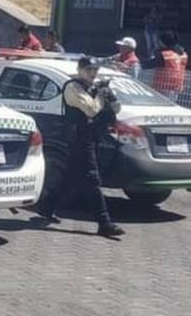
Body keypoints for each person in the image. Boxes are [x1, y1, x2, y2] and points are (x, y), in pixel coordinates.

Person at [34, 57, 125, 238]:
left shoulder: (94, 89)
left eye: (95, 71)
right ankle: (104, 222)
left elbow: (116, 108)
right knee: (93, 179)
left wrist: (109, 93)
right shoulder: (72, 87)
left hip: (91, 137)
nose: (92, 74)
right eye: (89, 70)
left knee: (69, 176)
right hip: (77, 139)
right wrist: (100, 95)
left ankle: (46, 206)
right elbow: (91, 110)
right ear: (80, 69)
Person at [143, 31, 188, 100]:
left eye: (159, 42)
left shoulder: (164, 55)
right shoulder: (183, 54)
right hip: (176, 86)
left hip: (163, 87)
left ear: (164, 42)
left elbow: (149, 64)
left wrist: (141, 61)